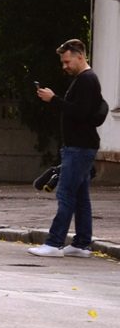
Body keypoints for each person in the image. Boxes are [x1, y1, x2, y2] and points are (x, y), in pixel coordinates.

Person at [28, 39, 103, 258]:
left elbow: (80, 112)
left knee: (65, 194)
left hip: (79, 147)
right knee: (80, 197)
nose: (64, 66)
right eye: (63, 62)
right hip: (80, 146)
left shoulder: (86, 80)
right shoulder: (85, 79)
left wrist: (54, 99)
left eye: (67, 61)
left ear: (80, 56)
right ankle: (81, 244)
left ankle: (54, 243)